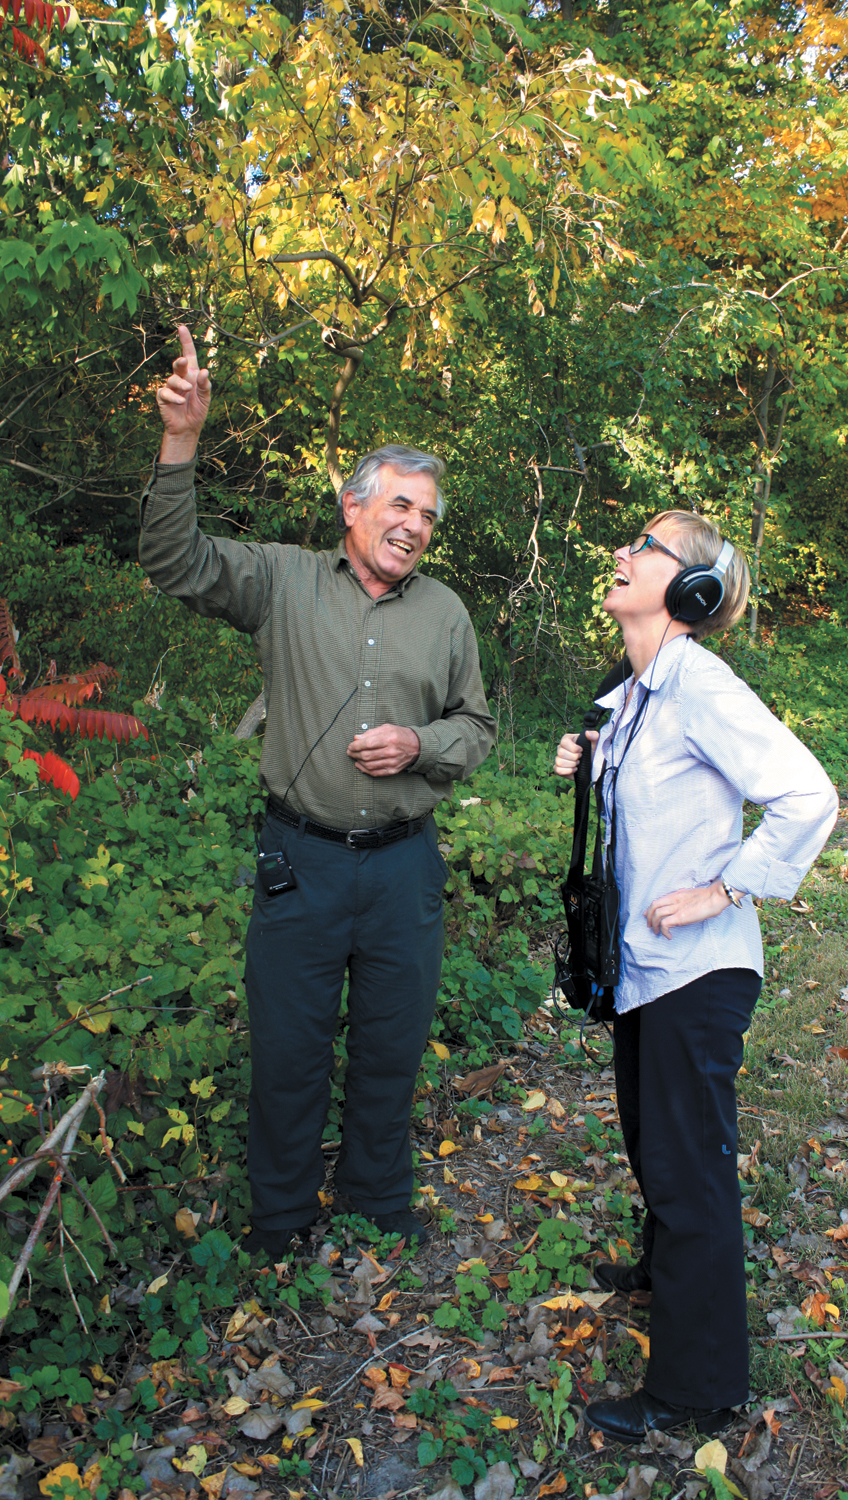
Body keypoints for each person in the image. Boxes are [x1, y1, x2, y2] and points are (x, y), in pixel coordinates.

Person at [141, 326, 497, 1260]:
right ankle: (281, 1219)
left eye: (429, 516)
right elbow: (175, 564)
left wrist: (421, 743)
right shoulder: (284, 582)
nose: (416, 525)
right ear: (353, 505)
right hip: (299, 861)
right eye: (402, 505)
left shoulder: (447, 613)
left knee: (390, 1048)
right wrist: (182, 443)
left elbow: (479, 728)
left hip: (403, 871)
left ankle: (378, 1203)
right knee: (290, 1054)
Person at [554, 511, 838, 1442]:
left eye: (647, 546)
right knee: (655, 1146)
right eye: (629, 538)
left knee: (690, 1175)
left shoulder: (701, 686)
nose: (624, 553)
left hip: (698, 969)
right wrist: (585, 761)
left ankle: (697, 1389)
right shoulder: (637, 691)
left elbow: (809, 794)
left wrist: (727, 886)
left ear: (693, 591)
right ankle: (659, 1273)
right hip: (646, 966)